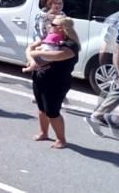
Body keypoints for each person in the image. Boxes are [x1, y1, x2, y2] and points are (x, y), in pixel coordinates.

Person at [28, 15, 80, 149]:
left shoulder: (70, 45)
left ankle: (61, 139)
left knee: (52, 112)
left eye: (53, 24)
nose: (50, 26)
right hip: (40, 77)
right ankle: (43, 133)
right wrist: (33, 57)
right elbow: (31, 48)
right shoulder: (49, 39)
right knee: (41, 108)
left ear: (62, 29)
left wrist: (35, 54)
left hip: (57, 81)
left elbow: (57, 56)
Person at [84, 0, 119, 136]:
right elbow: (110, 45)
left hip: (115, 60)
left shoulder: (116, 18)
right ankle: (108, 117)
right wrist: (106, 63)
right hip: (116, 59)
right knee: (118, 89)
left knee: (116, 91)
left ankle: (99, 115)